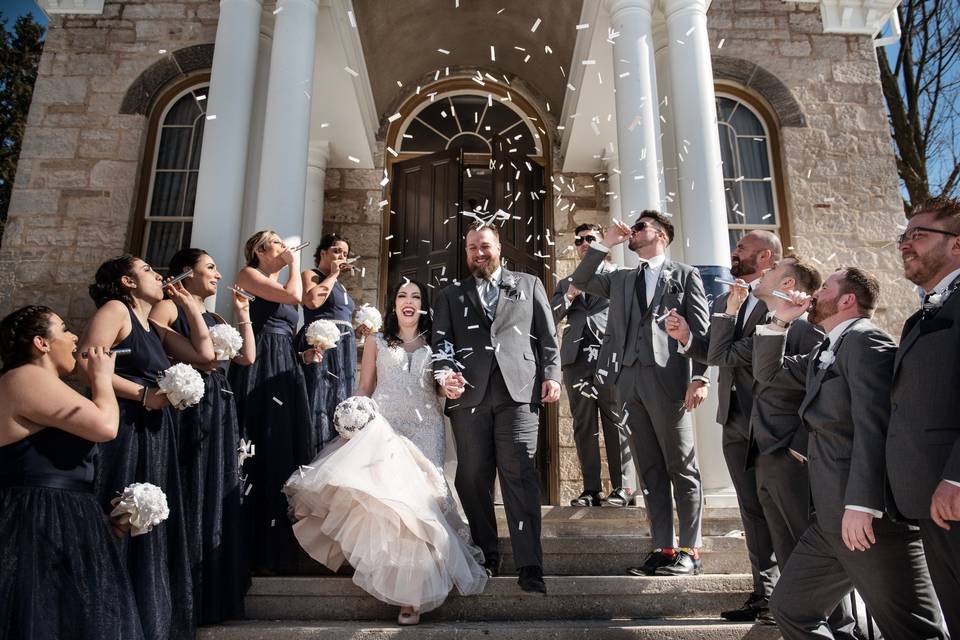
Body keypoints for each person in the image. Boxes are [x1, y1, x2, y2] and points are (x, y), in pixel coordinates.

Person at [754, 267, 946, 639]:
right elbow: (769, 373)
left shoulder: (867, 342)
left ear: (847, 300)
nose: (815, 293)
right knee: (790, 608)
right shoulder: (826, 349)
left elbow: (875, 427)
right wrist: (780, 321)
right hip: (828, 520)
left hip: (867, 522)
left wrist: (863, 504)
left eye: (824, 287)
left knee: (912, 628)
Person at [285, 280, 486, 625]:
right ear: (393, 305)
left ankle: (419, 583)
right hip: (386, 428)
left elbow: (439, 386)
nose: (408, 302)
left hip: (426, 429)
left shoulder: (438, 343)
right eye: (402, 296)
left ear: (424, 306)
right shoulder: (376, 342)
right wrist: (355, 420)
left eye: (416, 297)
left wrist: (449, 387)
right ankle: (408, 597)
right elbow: (364, 388)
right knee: (396, 506)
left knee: (425, 504)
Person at [80, 255, 214, 640]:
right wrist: (142, 394)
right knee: (120, 512)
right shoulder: (115, 310)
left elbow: (205, 358)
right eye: (147, 271)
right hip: (123, 426)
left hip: (155, 432)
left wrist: (188, 304)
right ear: (127, 281)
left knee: (147, 521)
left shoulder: (151, 325)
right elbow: (86, 361)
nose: (158, 275)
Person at [572, 211, 710, 577]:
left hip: (668, 380)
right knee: (649, 469)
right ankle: (663, 547)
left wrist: (701, 377)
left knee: (681, 466)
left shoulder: (685, 275)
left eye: (640, 227)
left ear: (661, 235)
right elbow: (581, 278)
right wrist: (605, 244)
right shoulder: (621, 279)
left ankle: (690, 550)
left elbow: (702, 330)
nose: (632, 231)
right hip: (628, 382)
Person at [432, 224, 562, 595]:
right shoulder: (450, 294)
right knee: (472, 477)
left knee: (520, 473)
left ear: (499, 248)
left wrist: (551, 375)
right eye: (472, 247)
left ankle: (530, 564)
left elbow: (548, 336)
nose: (478, 253)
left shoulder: (529, 284)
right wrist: (444, 376)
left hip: (518, 393)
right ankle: (488, 554)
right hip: (468, 397)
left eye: (484, 246)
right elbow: (442, 344)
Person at [0, 306, 144, 640]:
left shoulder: (44, 383)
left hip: (64, 516)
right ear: (41, 343)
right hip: (36, 520)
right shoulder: (25, 377)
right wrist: (101, 379)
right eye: (64, 329)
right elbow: (105, 425)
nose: (75, 337)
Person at [667, 230, 782, 618]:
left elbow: (730, 354)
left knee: (778, 509)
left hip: (770, 419)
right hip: (733, 417)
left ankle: (790, 593)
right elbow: (715, 352)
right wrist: (686, 339)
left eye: (742, 248)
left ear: (765, 256)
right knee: (750, 509)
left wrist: (716, 348)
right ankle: (763, 594)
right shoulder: (723, 300)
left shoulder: (778, 300)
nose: (735, 252)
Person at [150, 248, 255, 624]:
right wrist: (190, 308)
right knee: (193, 487)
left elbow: (246, 358)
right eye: (209, 267)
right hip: (190, 406)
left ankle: (211, 593)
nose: (216, 273)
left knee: (216, 486)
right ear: (185, 272)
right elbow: (206, 359)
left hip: (221, 406)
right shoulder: (167, 309)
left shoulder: (216, 314)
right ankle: (185, 594)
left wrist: (242, 315)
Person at [887, 196, 960, 637]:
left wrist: (957, 476)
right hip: (927, 500)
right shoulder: (920, 316)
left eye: (919, 234)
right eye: (904, 236)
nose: (905, 244)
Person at [229, 230, 315, 574]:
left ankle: (281, 547)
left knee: (285, 448)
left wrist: (304, 355)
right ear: (260, 251)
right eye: (277, 243)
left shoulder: (278, 282)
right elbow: (294, 297)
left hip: (286, 364)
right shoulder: (249, 275)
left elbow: (290, 323)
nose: (285, 247)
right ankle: (251, 546)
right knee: (260, 442)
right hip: (261, 361)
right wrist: (295, 264)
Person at [552, 223, 635, 507]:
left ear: (602, 242)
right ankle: (590, 490)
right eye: (578, 240)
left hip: (609, 356)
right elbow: (550, 316)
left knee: (615, 422)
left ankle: (622, 487)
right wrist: (569, 296)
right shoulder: (566, 282)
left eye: (590, 238)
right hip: (576, 361)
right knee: (583, 425)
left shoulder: (618, 277)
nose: (584, 243)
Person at [297, 233, 358, 448]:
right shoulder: (311, 274)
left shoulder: (341, 287)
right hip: (323, 344)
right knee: (322, 396)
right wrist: (332, 275)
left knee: (342, 398)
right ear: (323, 253)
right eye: (337, 251)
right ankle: (316, 450)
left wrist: (359, 329)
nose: (342, 256)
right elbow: (312, 301)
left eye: (345, 253)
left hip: (345, 347)